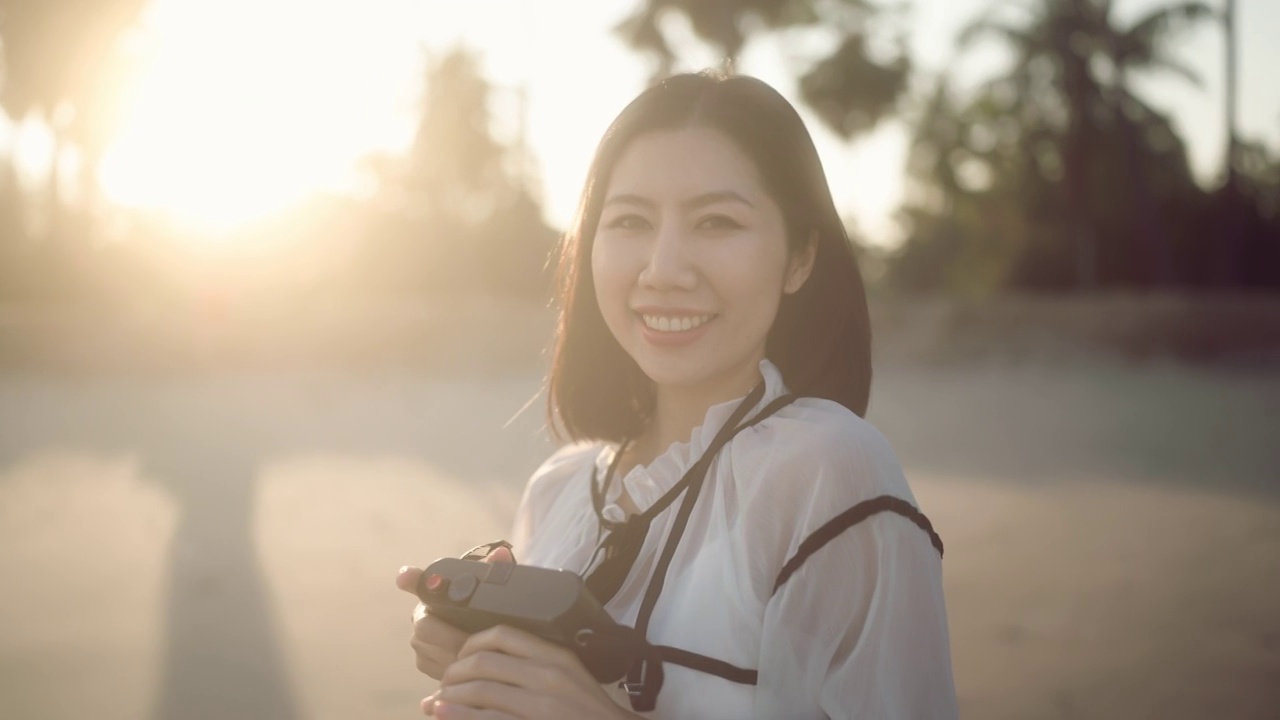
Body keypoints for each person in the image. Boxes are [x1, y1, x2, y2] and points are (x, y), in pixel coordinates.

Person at [396, 70, 958, 719]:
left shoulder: (830, 471)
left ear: (800, 257)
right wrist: (487, 663)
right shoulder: (559, 488)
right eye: (630, 220)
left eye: (716, 222)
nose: (663, 270)